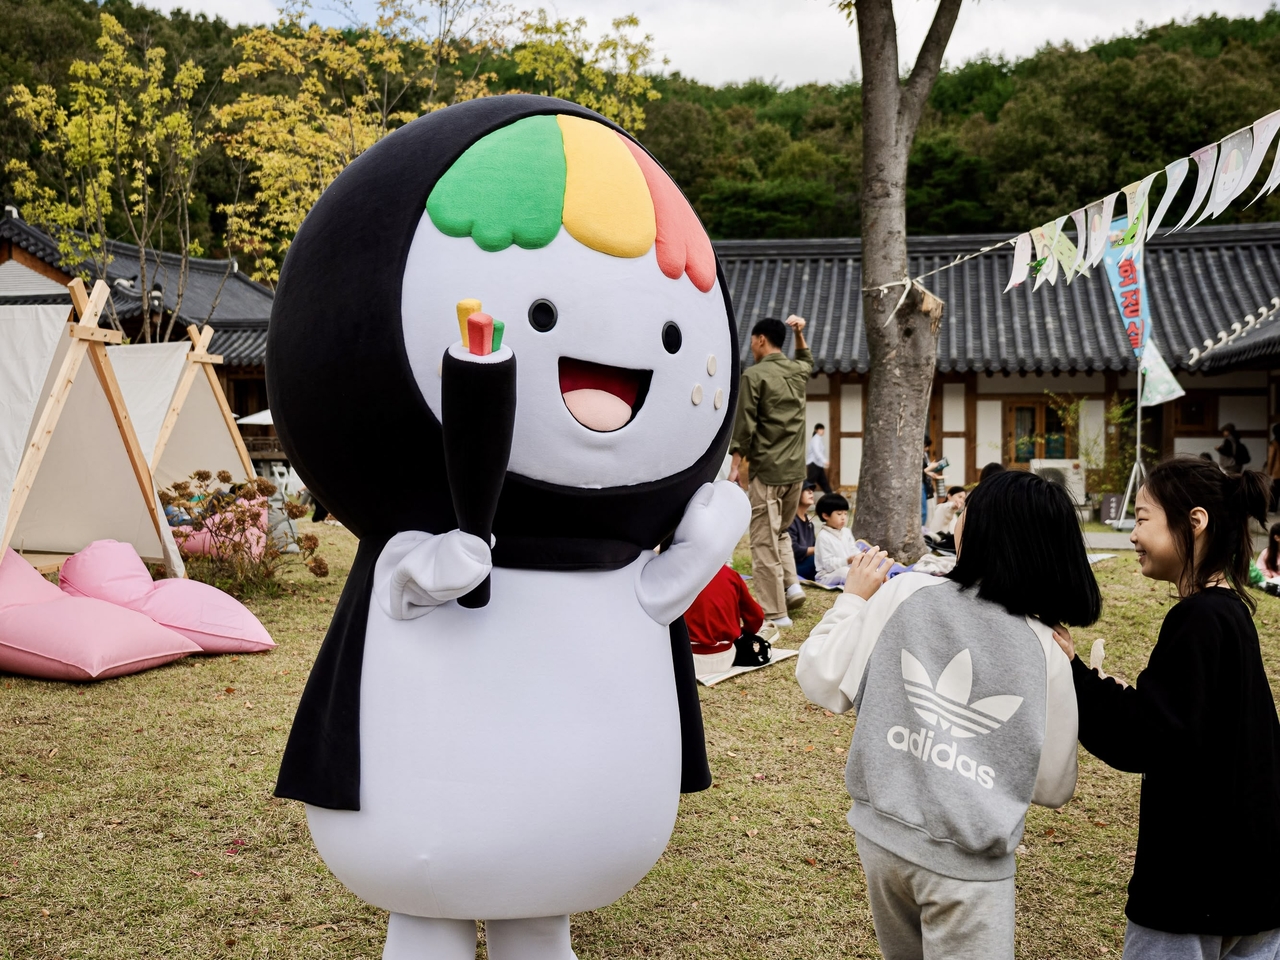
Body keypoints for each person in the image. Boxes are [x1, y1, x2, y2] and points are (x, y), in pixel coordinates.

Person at [797, 470, 1101, 960]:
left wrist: (853, 597)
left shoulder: (904, 594)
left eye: (963, 512)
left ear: (978, 532)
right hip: (969, 868)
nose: (956, 519)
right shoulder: (1046, 649)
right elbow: (1051, 786)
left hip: (880, 839)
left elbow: (821, 680)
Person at [1054, 458, 1280, 959]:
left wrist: (1074, 673)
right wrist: (1114, 694)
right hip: (1254, 889)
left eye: (1141, 518)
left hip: (1191, 890)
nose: (1133, 535)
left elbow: (1145, 738)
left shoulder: (1196, 618)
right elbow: (1192, 728)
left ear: (1194, 522)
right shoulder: (1230, 615)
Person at [728, 315, 812, 626]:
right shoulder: (797, 372)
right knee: (781, 533)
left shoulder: (754, 375)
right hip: (796, 472)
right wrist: (799, 334)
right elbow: (806, 358)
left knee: (763, 539)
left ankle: (775, 613)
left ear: (761, 339)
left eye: (752, 340)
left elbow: (745, 426)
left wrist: (735, 466)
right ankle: (791, 586)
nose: (751, 346)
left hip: (768, 470)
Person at [685, 564, 768, 677]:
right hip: (726, 656)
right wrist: (745, 634)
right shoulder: (729, 573)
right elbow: (756, 616)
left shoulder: (676, 573)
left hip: (687, 658)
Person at [813, 493, 909, 585]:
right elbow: (827, 564)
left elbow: (852, 549)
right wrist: (847, 561)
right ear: (825, 516)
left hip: (849, 568)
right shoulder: (823, 536)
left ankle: (886, 579)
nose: (843, 518)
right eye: (839, 514)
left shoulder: (846, 532)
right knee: (844, 572)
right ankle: (872, 584)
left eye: (845, 514)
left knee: (869, 567)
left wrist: (859, 556)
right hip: (828, 575)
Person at [789, 481, 818, 580]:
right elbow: (794, 550)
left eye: (812, 490)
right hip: (795, 567)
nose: (811, 493)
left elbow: (813, 546)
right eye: (806, 490)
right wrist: (820, 549)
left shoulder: (809, 522)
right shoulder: (790, 520)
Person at [922, 437, 944, 526]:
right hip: (922, 484)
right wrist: (930, 468)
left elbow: (924, 470)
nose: (927, 449)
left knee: (927, 510)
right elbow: (918, 472)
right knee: (923, 511)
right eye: (926, 446)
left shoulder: (925, 455)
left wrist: (930, 473)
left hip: (927, 484)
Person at [806, 424, 833, 494]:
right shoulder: (815, 439)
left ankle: (831, 497)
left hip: (818, 465)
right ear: (816, 430)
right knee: (810, 484)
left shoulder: (819, 439)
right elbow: (817, 452)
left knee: (824, 484)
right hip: (814, 464)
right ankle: (802, 498)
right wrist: (824, 460)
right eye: (820, 429)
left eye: (823, 429)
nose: (822, 431)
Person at [1266, 423, 1280, 512]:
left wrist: (1269, 472)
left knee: (1275, 491)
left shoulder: (1274, 443)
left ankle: (1273, 509)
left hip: (1277, 471)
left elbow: (1271, 459)